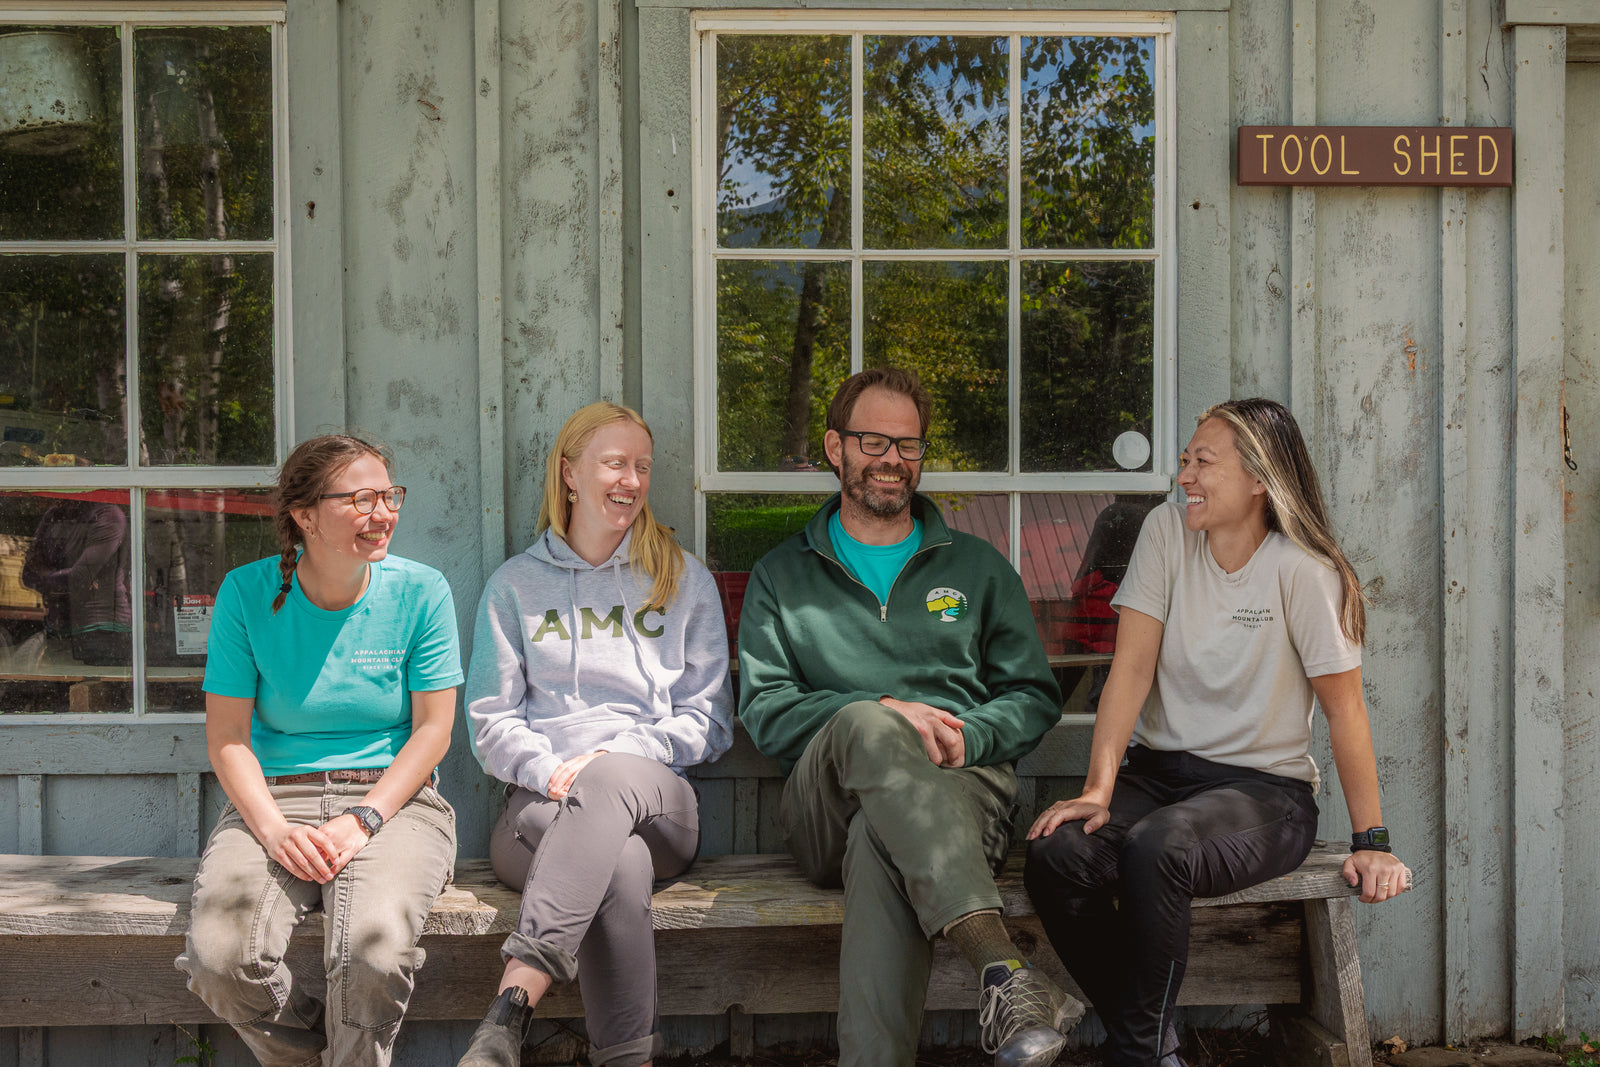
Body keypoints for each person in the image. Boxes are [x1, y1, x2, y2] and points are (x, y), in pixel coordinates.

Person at [1023, 398, 1414, 1067]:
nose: (1186, 477)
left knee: (1159, 847)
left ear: (1260, 479)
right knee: (1056, 852)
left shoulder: (1305, 571)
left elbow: (1347, 711)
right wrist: (1097, 787)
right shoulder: (1165, 534)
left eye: (1204, 462)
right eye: (1184, 461)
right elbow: (1133, 667)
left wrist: (1372, 841)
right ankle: (1154, 1047)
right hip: (1157, 774)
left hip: (1265, 794)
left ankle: (1138, 1052)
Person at [738, 367, 1082, 1067]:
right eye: (873, 441)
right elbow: (767, 712)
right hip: (822, 810)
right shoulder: (782, 575)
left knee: (881, 838)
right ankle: (1001, 969)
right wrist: (885, 711)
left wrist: (967, 736)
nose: (893, 458)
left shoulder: (979, 570)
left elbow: (1033, 694)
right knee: (868, 725)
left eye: (909, 444)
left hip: (960, 793)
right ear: (835, 447)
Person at [457, 401, 733, 1067]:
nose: (632, 480)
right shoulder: (515, 585)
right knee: (621, 866)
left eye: (642, 466)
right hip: (539, 805)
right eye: (615, 462)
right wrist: (547, 767)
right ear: (569, 473)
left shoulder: (680, 578)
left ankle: (514, 1000)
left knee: (612, 782)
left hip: (660, 800)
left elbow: (710, 717)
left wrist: (618, 757)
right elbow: (491, 720)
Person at [175, 434, 462, 1066]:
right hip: (275, 801)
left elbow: (433, 731)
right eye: (360, 498)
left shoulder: (420, 592)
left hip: (394, 799)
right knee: (223, 961)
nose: (382, 512)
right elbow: (227, 738)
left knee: (372, 955)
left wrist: (364, 819)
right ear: (304, 515)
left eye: (389, 496)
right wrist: (275, 831)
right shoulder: (246, 595)